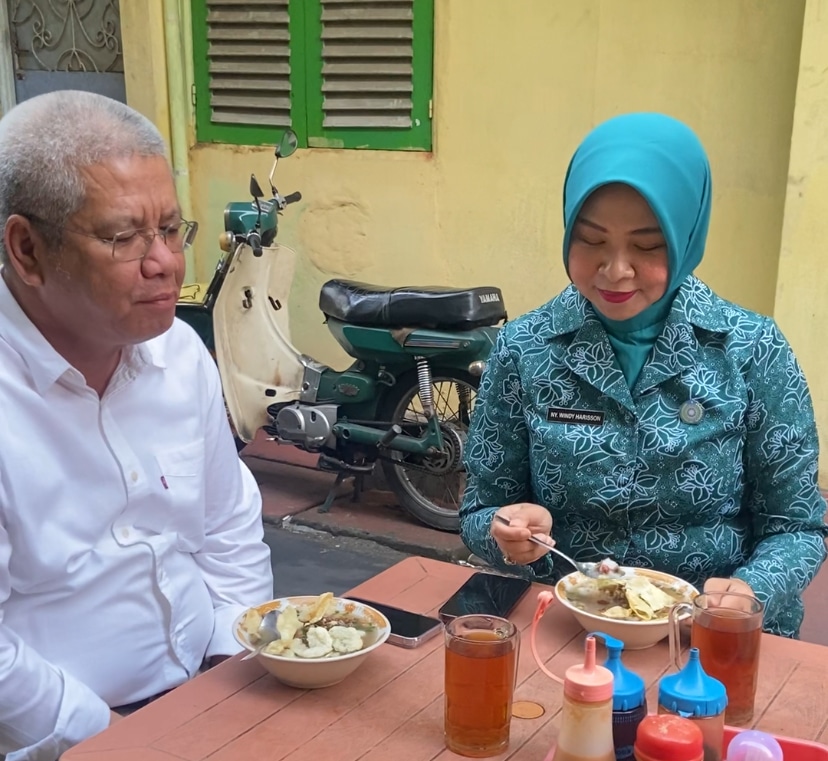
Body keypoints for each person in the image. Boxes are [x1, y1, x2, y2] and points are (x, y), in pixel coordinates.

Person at [460, 112, 828, 639]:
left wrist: (751, 591)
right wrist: (506, 532)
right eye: (590, 240)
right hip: (568, 629)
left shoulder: (751, 349)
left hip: (708, 636)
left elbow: (798, 526)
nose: (615, 270)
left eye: (649, 245)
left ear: (686, 237)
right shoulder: (525, 347)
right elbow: (480, 510)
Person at [0, 91, 274, 760]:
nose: (166, 263)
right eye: (124, 237)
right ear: (27, 250)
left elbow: (227, 525)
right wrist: (118, 738)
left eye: (172, 229)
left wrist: (229, 666)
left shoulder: (179, 354)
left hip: (210, 690)